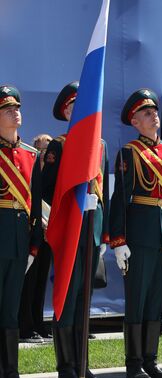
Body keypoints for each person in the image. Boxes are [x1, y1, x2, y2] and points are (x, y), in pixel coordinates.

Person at [110, 88, 162, 378]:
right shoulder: (129, 152)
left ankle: (151, 361)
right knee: (137, 302)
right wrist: (118, 240)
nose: (153, 117)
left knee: (155, 302)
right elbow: (120, 199)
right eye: (146, 114)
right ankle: (133, 363)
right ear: (135, 122)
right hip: (138, 237)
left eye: (154, 112)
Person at [42, 81, 110, 378]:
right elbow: (46, 192)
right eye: (77, 105)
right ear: (68, 110)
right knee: (67, 300)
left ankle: (83, 362)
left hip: (92, 232)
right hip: (70, 229)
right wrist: (71, 205)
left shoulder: (101, 145)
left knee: (84, 300)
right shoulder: (60, 145)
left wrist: (103, 233)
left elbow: (103, 192)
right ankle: (66, 365)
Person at [0, 85, 42, 378]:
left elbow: (36, 206)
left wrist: (34, 246)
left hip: (19, 241)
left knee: (11, 308)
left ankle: (10, 369)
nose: (16, 112)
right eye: (7, 109)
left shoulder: (31, 155)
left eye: (17, 108)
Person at [19, 134, 53, 344]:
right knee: (28, 281)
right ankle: (26, 324)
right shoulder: (28, 166)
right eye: (41, 150)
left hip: (48, 231)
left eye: (48, 151)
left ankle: (39, 323)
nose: (44, 155)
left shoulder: (51, 173)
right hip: (32, 229)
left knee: (41, 279)